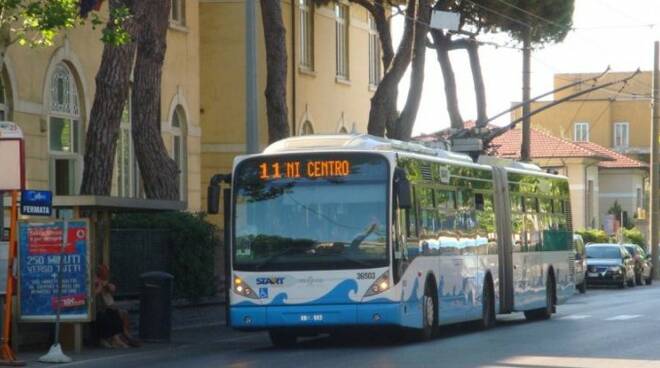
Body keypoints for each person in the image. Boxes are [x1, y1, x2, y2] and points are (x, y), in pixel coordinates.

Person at [95, 264, 141, 348]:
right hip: (99, 308)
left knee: (122, 312)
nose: (107, 274)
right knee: (114, 313)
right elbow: (95, 295)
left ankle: (123, 336)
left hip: (108, 306)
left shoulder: (105, 282)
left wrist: (107, 285)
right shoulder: (96, 281)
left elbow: (112, 289)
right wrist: (100, 286)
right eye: (104, 272)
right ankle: (118, 338)